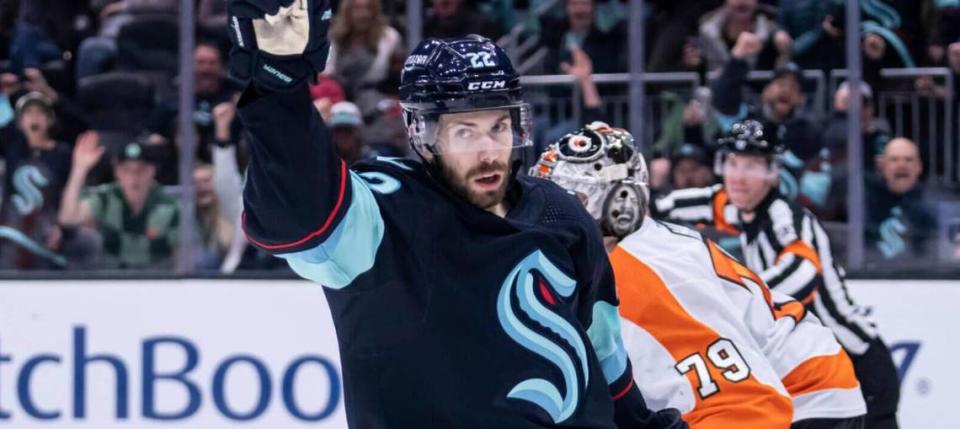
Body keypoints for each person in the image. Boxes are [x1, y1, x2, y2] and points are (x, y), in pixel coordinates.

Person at [225, 0, 685, 427]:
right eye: (465, 132)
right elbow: (302, 217)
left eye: (499, 127)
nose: (490, 152)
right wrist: (279, 89)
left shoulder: (558, 212)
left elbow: (605, 357)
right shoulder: (387, 213)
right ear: (422, 134)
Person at [533, 122, 867, 428]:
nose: (552, 215)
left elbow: (748, 407)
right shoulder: (626, 252)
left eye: (572, 199)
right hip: (798, 387)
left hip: (808, 398)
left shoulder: (645, 271)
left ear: (620, 202)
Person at [651, 119, 901, 428]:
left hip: (859, 365)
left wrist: (731, 297)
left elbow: (803, 274)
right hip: (820, 368)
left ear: (773, 171)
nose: (738, 177)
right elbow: (679, 204)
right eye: (732, 163)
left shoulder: (785, 216)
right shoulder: (738, 207)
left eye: (752, 165)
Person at [58, 134, 179, 269]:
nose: (134, 177)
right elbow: (68, 220)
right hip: (111, 280)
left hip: (157, 282)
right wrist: (79, 169)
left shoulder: (169, 205)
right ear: (117, 172)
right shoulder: (105, 198)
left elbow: (184, 256)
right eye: (127, 170)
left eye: (141, 170)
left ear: (152, 171)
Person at [0, 91, 73, 269]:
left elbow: (69, 191)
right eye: (28, 113)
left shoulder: (63, 153)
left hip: (48, 227)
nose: (34, 117)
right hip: (12, 228)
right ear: (20, 123)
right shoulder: (12, 149)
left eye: (40, 113)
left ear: (50, 120)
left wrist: (61, 227)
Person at [866, 138, 936, 267]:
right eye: (894, 159)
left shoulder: (932, 204)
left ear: (919, 167)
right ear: (882, 166)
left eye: (908, 159)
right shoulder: (864, 202)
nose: (902, 165)